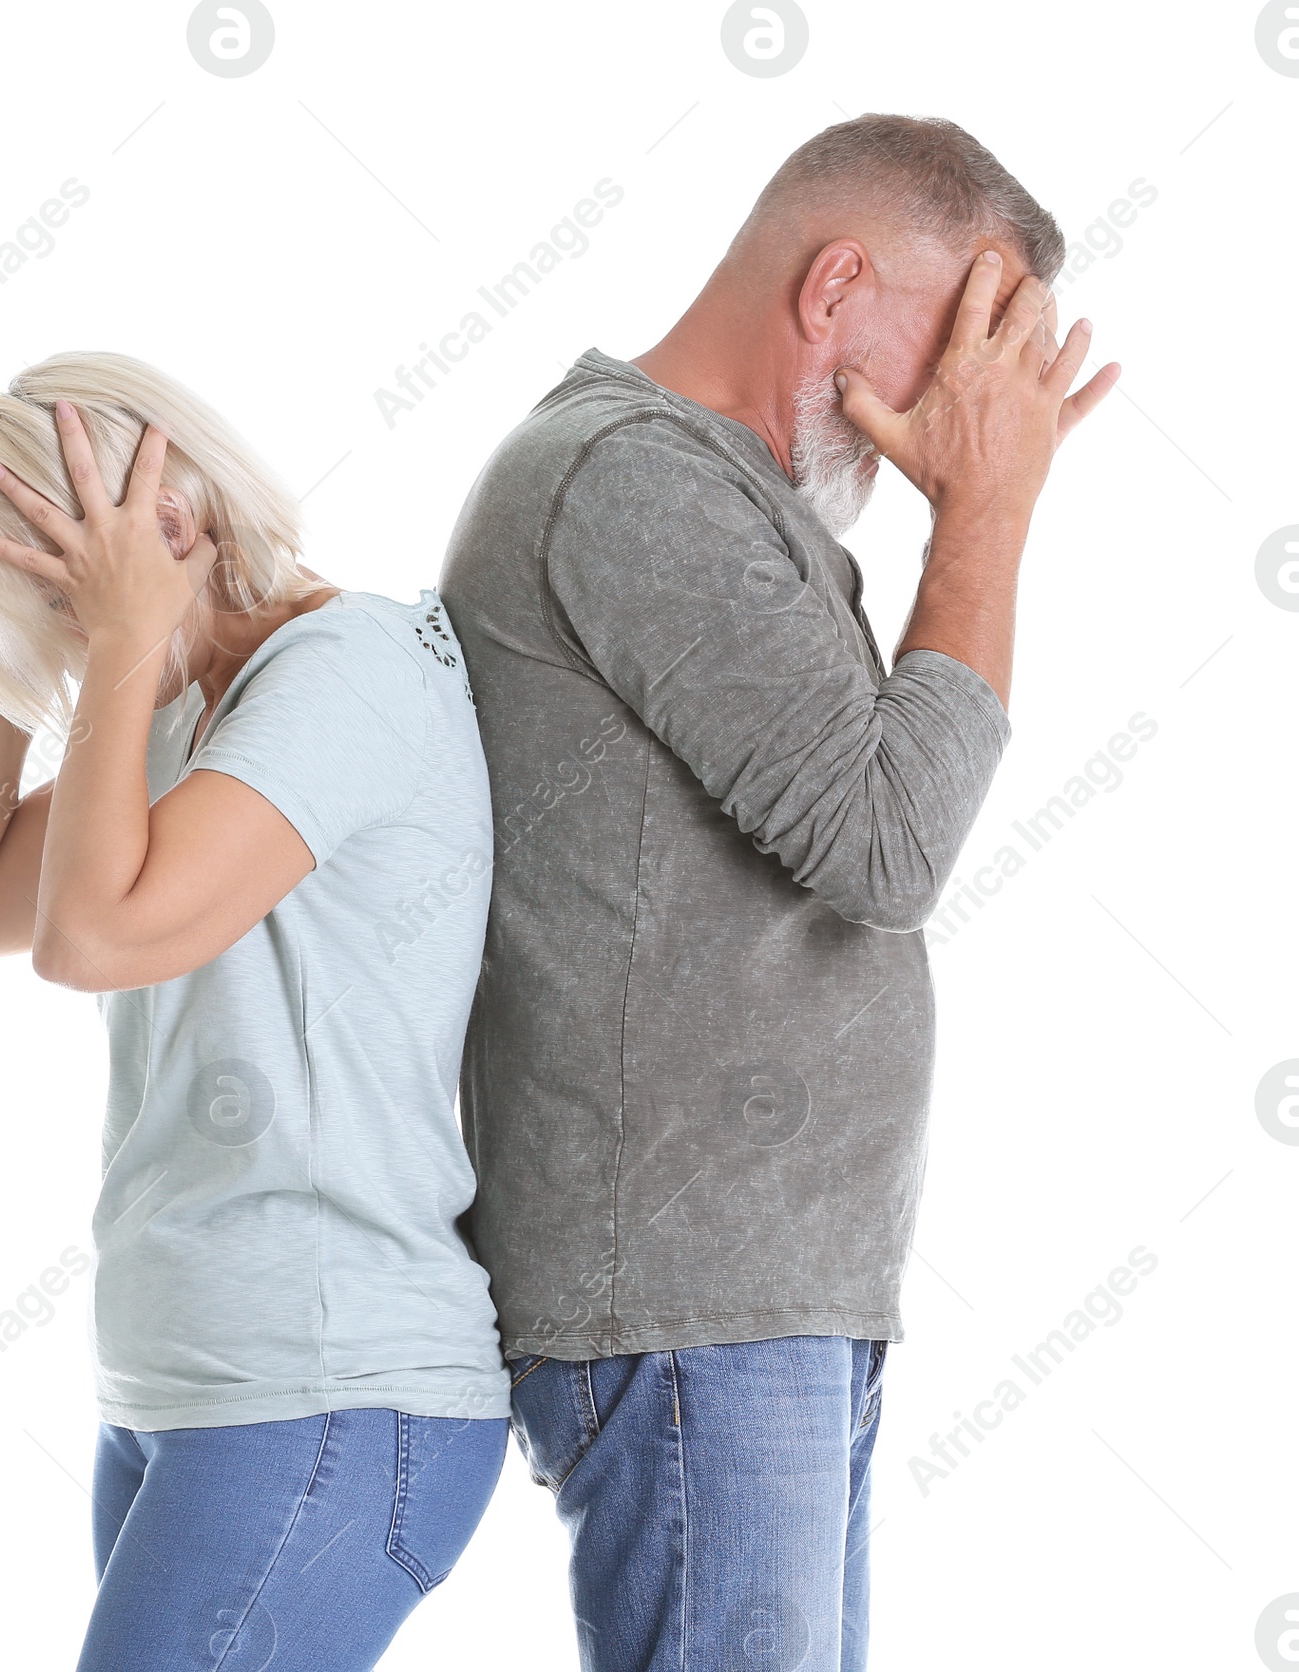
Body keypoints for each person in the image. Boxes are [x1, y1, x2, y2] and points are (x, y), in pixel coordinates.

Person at [439, 115, 1120, 1670]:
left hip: (759, 1302)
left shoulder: (725, 501)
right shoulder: (632, 482)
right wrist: (993, 515)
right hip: (699, 1307)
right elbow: (891, 843)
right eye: (964, 346)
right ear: (835, 291)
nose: (970, 410)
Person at [0, 352, 508, 1671]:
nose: (65, 640)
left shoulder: (349, 673)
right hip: (188, 1391)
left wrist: (114, 636)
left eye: (61, 589)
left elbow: (91, 939)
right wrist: (21, 664)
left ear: (169, 522)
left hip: (326, 1391)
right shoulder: (173, 723)